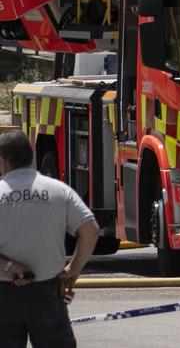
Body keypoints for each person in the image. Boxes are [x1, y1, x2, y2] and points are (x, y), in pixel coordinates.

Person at [0, 129, 99, 348]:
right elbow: (91, 230)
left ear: (3, 161)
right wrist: (73, 269)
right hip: (47, 292)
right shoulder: (58, 191)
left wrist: (8, 265)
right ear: (31, 155)